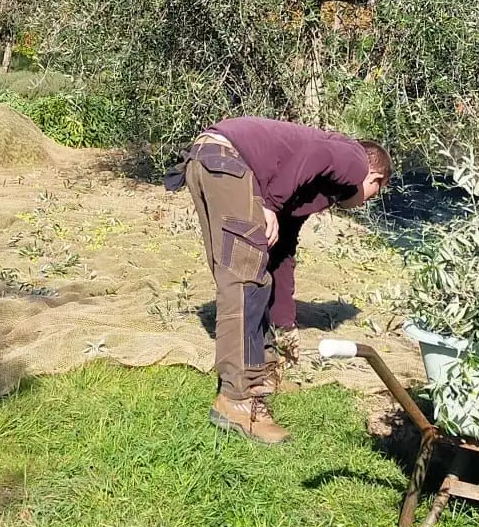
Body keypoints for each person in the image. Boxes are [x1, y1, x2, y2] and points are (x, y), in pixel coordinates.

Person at [167, 117, 391, 443]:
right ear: (375, 177)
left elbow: (282, 258)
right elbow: (316, 153)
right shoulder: (355, 160)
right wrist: (268, 204)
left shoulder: (304, 186)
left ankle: (264, 374)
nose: (368, 200)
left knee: (252, 272)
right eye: (375, 192)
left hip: (210, 157)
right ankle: (238, 402)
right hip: (230, 163)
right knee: (245, 282)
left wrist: (286, 326)